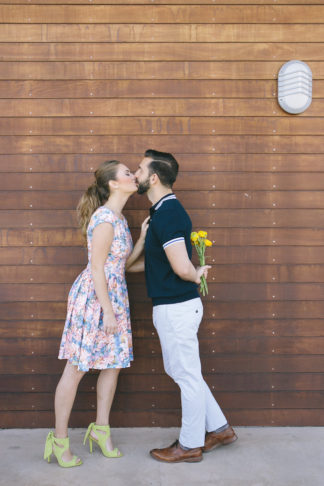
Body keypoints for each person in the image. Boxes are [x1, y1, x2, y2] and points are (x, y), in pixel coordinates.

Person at [43, 160, 149, 467]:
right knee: (76, 368)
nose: (133, 176)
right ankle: (59, 441)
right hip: (95, 299)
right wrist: (107, 311)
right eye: (127, 173)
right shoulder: (104, 218)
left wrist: (141, 241)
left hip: (114, 296)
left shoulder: (119, 217)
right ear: (114, 184)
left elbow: (121, 266)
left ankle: (101, 430)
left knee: (112, 365)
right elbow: (97, 268)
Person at [135, 149, 237, 463]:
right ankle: (219, 429)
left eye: (139, 169)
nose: (136, 173)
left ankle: (190, 445)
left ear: (153, 177)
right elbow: (159, 264)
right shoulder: (160, 213)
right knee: (185, 371)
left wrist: (194, 274)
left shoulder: (168, 214)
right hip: (173, 306)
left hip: (177, 307)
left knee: (186, 375)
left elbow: (181, 267)